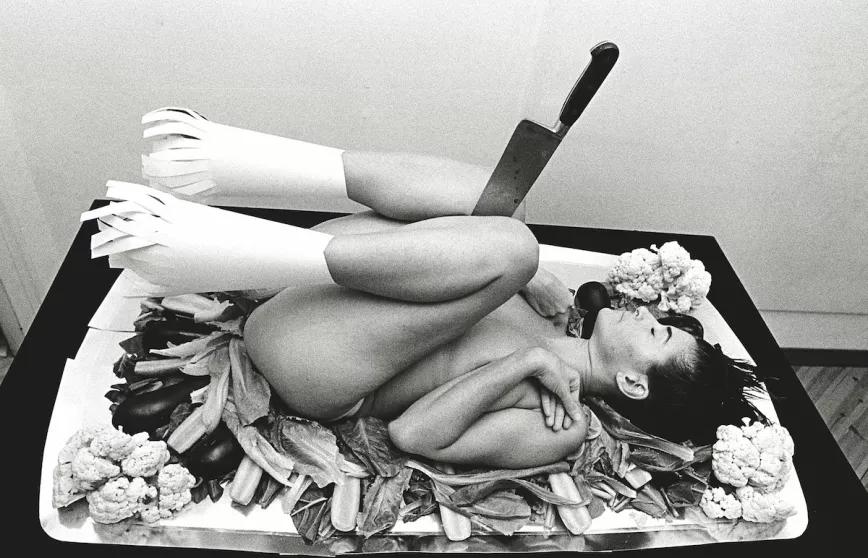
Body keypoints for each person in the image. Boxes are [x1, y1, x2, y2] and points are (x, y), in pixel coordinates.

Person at [93, 109, 767, 470]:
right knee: (503, 210)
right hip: (306, 286)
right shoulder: (559, 311)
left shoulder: (560, 424)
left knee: (513, 246)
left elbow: (416, 434)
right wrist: (530, 279)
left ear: (634, 384)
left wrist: (526, 363)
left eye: (657, 334)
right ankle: (233, 168)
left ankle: (211, 242)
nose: (647, 316)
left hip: (315, 359)